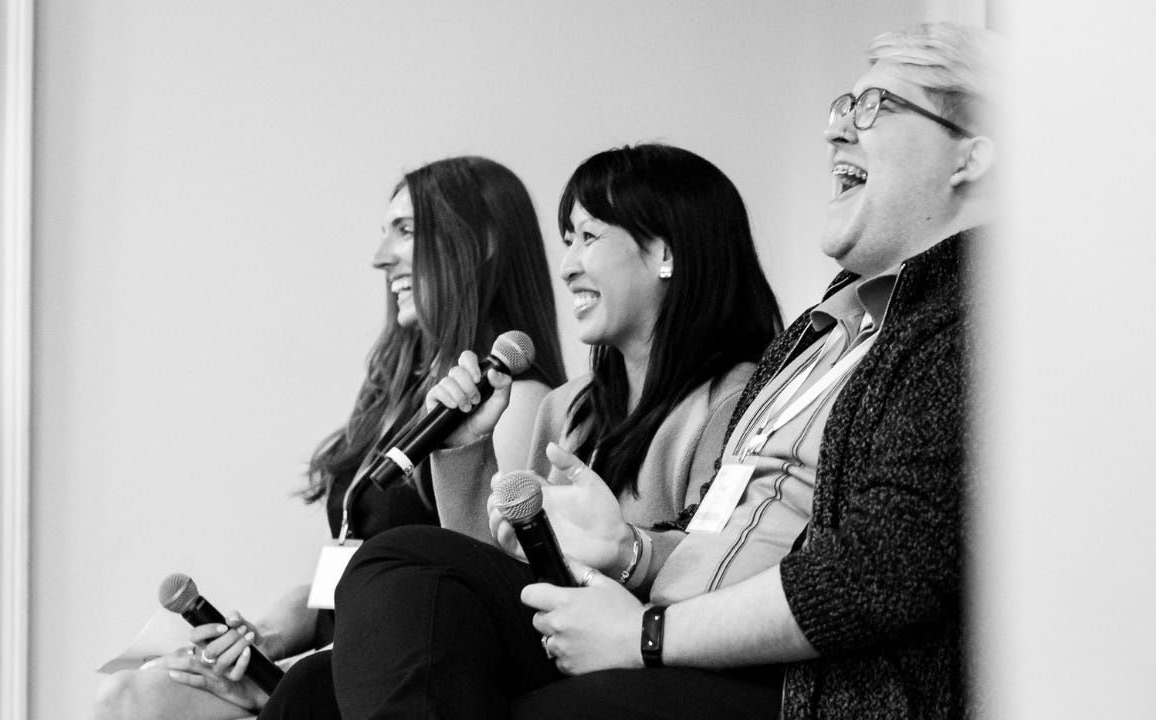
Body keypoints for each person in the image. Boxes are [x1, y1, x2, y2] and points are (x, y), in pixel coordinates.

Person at [322, 21, 997, 720]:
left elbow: (881, 570)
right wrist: (631, 548)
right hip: (667, 625)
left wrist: (644, 633)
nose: (836, 132)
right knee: (319, 683)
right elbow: (718, 529)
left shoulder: (967, 324)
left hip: (777, 677)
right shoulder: (818, 334)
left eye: (874, 107)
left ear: (971, 156)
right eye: (839, 109)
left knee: (406, 569)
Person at [256, 143, 784, 720]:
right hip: (549, 632)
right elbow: (484, 582)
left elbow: (716, 571)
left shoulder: (737, 401)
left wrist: (621, 551)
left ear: (663, 251)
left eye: (589, 237)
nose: (567, 266)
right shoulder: (568, 408)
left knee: (400, 557)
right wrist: (465, 449)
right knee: (310, 686)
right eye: (566, 241)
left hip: (635, 648)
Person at [93, 155, 567, 720]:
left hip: (402, 673)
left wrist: (294, 673)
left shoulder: (517, 403)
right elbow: (344, 564)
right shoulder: (404, 390)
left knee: (139, 701)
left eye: (405, 230)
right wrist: (266, 635)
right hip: (335, 651)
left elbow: (486, 598)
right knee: (131, 689)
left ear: (483, 241)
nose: (379, 257)